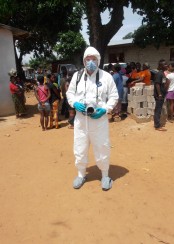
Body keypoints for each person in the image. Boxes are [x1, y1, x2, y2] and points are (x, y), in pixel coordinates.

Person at [66, 46, 118, 191]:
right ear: (83, 61)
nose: (90, 62)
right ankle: (81, 174)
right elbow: (70, 94)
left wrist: (105, 109)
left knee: (102, 147)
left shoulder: (106, 77)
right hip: (81, 122)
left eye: (93, 59)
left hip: (99, 122)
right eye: (88, 59)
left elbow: (114, 96)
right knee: (79, 148)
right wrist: (75, 103)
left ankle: (105, 175)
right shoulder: (77, 77)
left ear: (99, 60)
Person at [153, 59, 168, 131]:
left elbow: (163, 83)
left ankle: (157, 124)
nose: (167, 65)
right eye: (165, 64)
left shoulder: (162, 73)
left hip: (162, 94)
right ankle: (157, 126)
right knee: (158, 110)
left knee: (159, 109)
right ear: (161, 66)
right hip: (159, 95)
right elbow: (157, 84)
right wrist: (159, 94)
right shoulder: (159, 74)